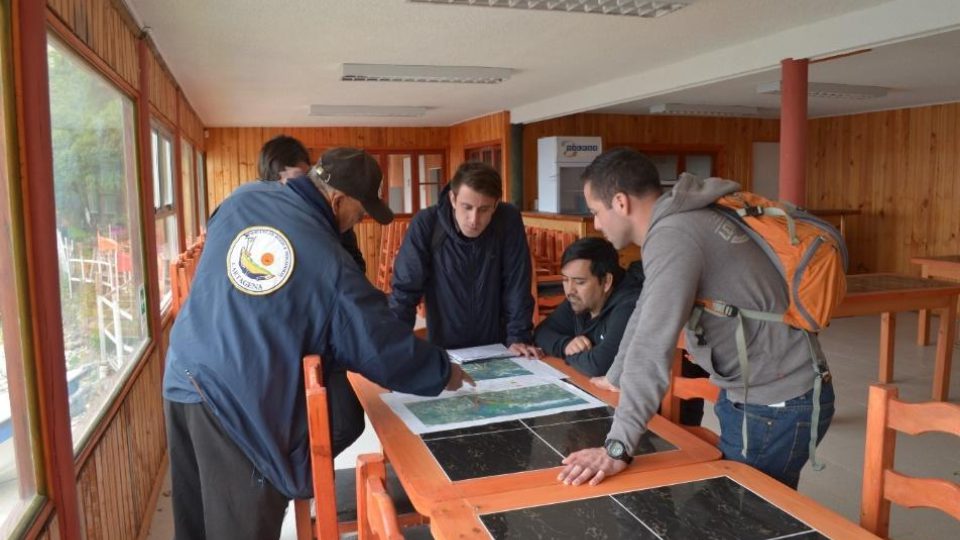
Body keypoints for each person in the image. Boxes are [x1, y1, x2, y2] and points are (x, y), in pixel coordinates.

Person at [163, 147, 473, 539]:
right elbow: (375, 342)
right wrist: (443, 371)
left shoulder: (244, 197)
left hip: (183, 371)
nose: (354, 225)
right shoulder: (327, 261)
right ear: (337, 199)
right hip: (237, 403)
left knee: (195, 524)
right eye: (358, 215)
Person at [558, 148, 834, 489]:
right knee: (734, 515)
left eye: (595, 212)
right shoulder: (679, 221)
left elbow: (651, 346)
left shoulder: (674, 235)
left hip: (775, 403)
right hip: (761, 395)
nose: (596, 224)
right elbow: (646, 309)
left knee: (745, 518)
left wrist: (617, 448)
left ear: (620, 202)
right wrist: (616, 376)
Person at [389, 161, 539, 356]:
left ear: (495, 204)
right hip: (446, 348)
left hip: (500, 346)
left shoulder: (507, 219)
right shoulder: (427, 223)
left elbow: (517, 282)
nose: (474, 220)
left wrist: (519, 337)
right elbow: (405, 291)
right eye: (466, 207)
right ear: (452, 199)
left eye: (484, 209)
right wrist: (395, 346)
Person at [533, 237, 643, 376]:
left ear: (606, 282)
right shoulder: (579, 300)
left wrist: (571, 355)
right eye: (565, 280)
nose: (570, 290)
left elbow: (599, 365)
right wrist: (566, 345)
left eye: (580, 282)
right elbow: (541, 332)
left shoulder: (628, 305)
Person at [256, 134, 366, 272]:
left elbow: (357, 264)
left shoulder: (333, 212)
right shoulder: (260, 224)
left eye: (304, 179)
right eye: (287, 185)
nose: (300, 188)